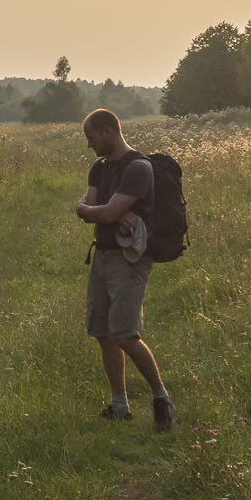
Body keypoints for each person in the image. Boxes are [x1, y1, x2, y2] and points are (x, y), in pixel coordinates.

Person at [75, 108, 175, 431]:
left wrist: (98, 211)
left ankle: (161, 398)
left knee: (126, 335)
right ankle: (119, 405)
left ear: (107, 131)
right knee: (103, 332)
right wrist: (96, 211)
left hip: (129, 261)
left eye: (91, 138)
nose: (89, 145)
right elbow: (90, 208)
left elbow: (100, 211)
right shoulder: (98, 168)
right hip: (102, 257)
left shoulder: (138, 168)